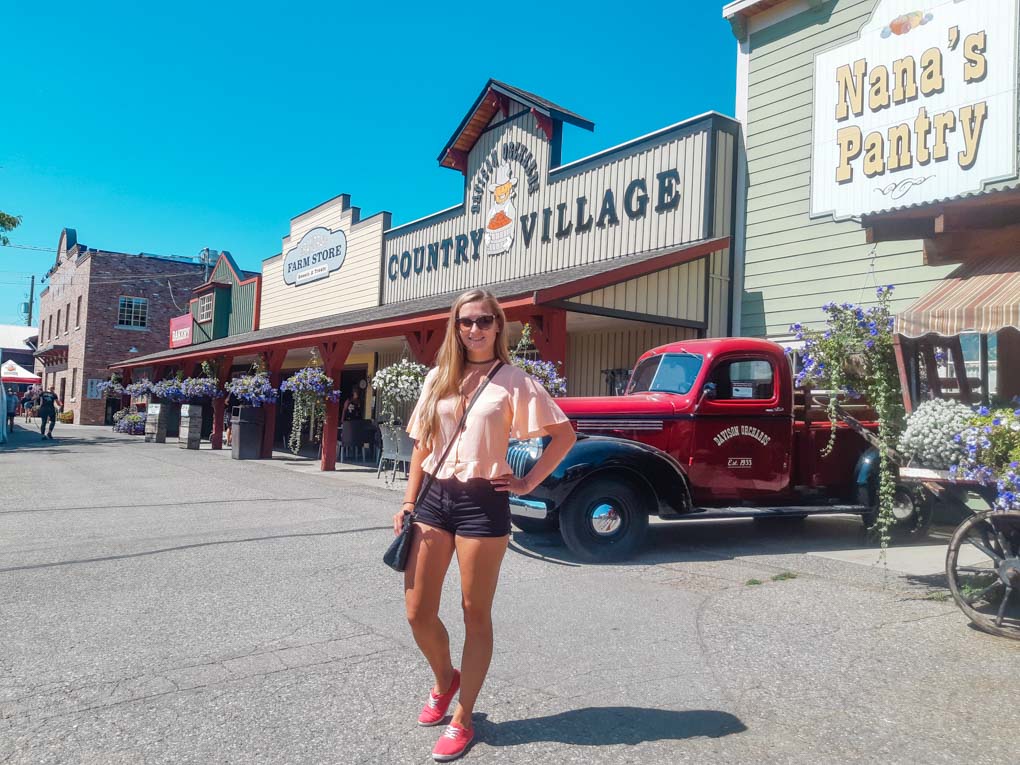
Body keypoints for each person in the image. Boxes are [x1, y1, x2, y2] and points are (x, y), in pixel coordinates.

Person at [395, 289, 575, 762]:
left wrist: (527, 481)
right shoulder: (438, 377)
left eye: (483, 320)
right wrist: (409, 500)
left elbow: (564, 435)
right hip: (434, 498)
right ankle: (444, 680)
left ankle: (463, 717)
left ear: (498, 326)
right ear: (455, 328)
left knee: (475, 612)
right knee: (417, 610)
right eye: (465, 321)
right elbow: (422, 444)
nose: (474, 329)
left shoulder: (514, 381)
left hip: (483, 503)